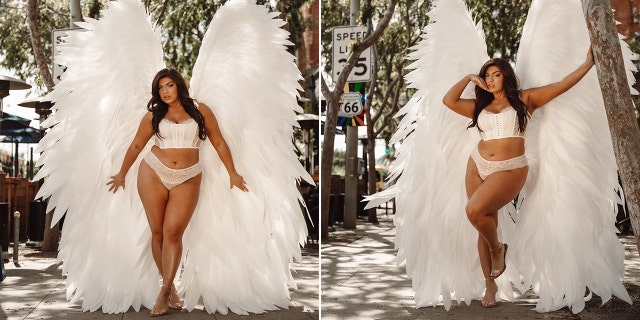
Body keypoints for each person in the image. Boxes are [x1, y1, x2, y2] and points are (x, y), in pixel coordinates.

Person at [441, 48, 595, 307]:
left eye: (496, 74)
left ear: (506, 77)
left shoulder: (526, 99)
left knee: (474, 211)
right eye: (486, 75)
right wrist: (469, 77)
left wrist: (588, 64)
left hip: (511, 168)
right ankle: (490, 287)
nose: (490, 79)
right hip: (476, 165)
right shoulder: (480, 106)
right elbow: (448, 100)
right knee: (482, 223)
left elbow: (561, 85)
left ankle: (497, 249)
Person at [106, 68, 248, 317]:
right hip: (153, 171)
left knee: (173, 231)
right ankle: (169, 288)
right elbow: (138, 145)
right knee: (158, 231)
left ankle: (164, 290)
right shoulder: (153, 115)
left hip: (189, 175)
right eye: (160, 88)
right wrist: (121, 173)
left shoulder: (199, 109)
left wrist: (232, 173)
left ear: (179, 85)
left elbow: (218, 141)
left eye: (169, 85)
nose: (164, 92)